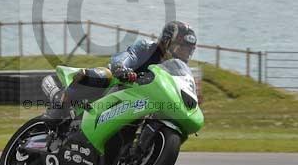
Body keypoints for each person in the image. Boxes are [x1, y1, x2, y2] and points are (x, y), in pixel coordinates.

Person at [43, 21, 197, 121]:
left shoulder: (175, 68)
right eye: (181, 47)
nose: (185, 53)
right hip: (120, 85)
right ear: (167, 41)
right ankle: (59, 104)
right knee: (105, 75)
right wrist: (122, 68)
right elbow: (129, 55)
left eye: (188, 50)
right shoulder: (147, 48)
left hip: (142, 100)